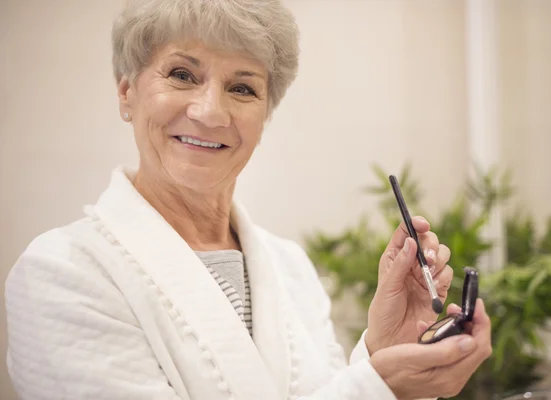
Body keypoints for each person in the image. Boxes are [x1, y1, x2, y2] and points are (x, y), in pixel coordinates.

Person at [4, 0, 492, 399]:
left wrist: (386, 351)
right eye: (181, 74)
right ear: (127, 93)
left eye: (242, 87)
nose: (210, 112)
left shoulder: (290, 267)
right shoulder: (61, 273)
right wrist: (377, 388)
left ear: (265, 114)